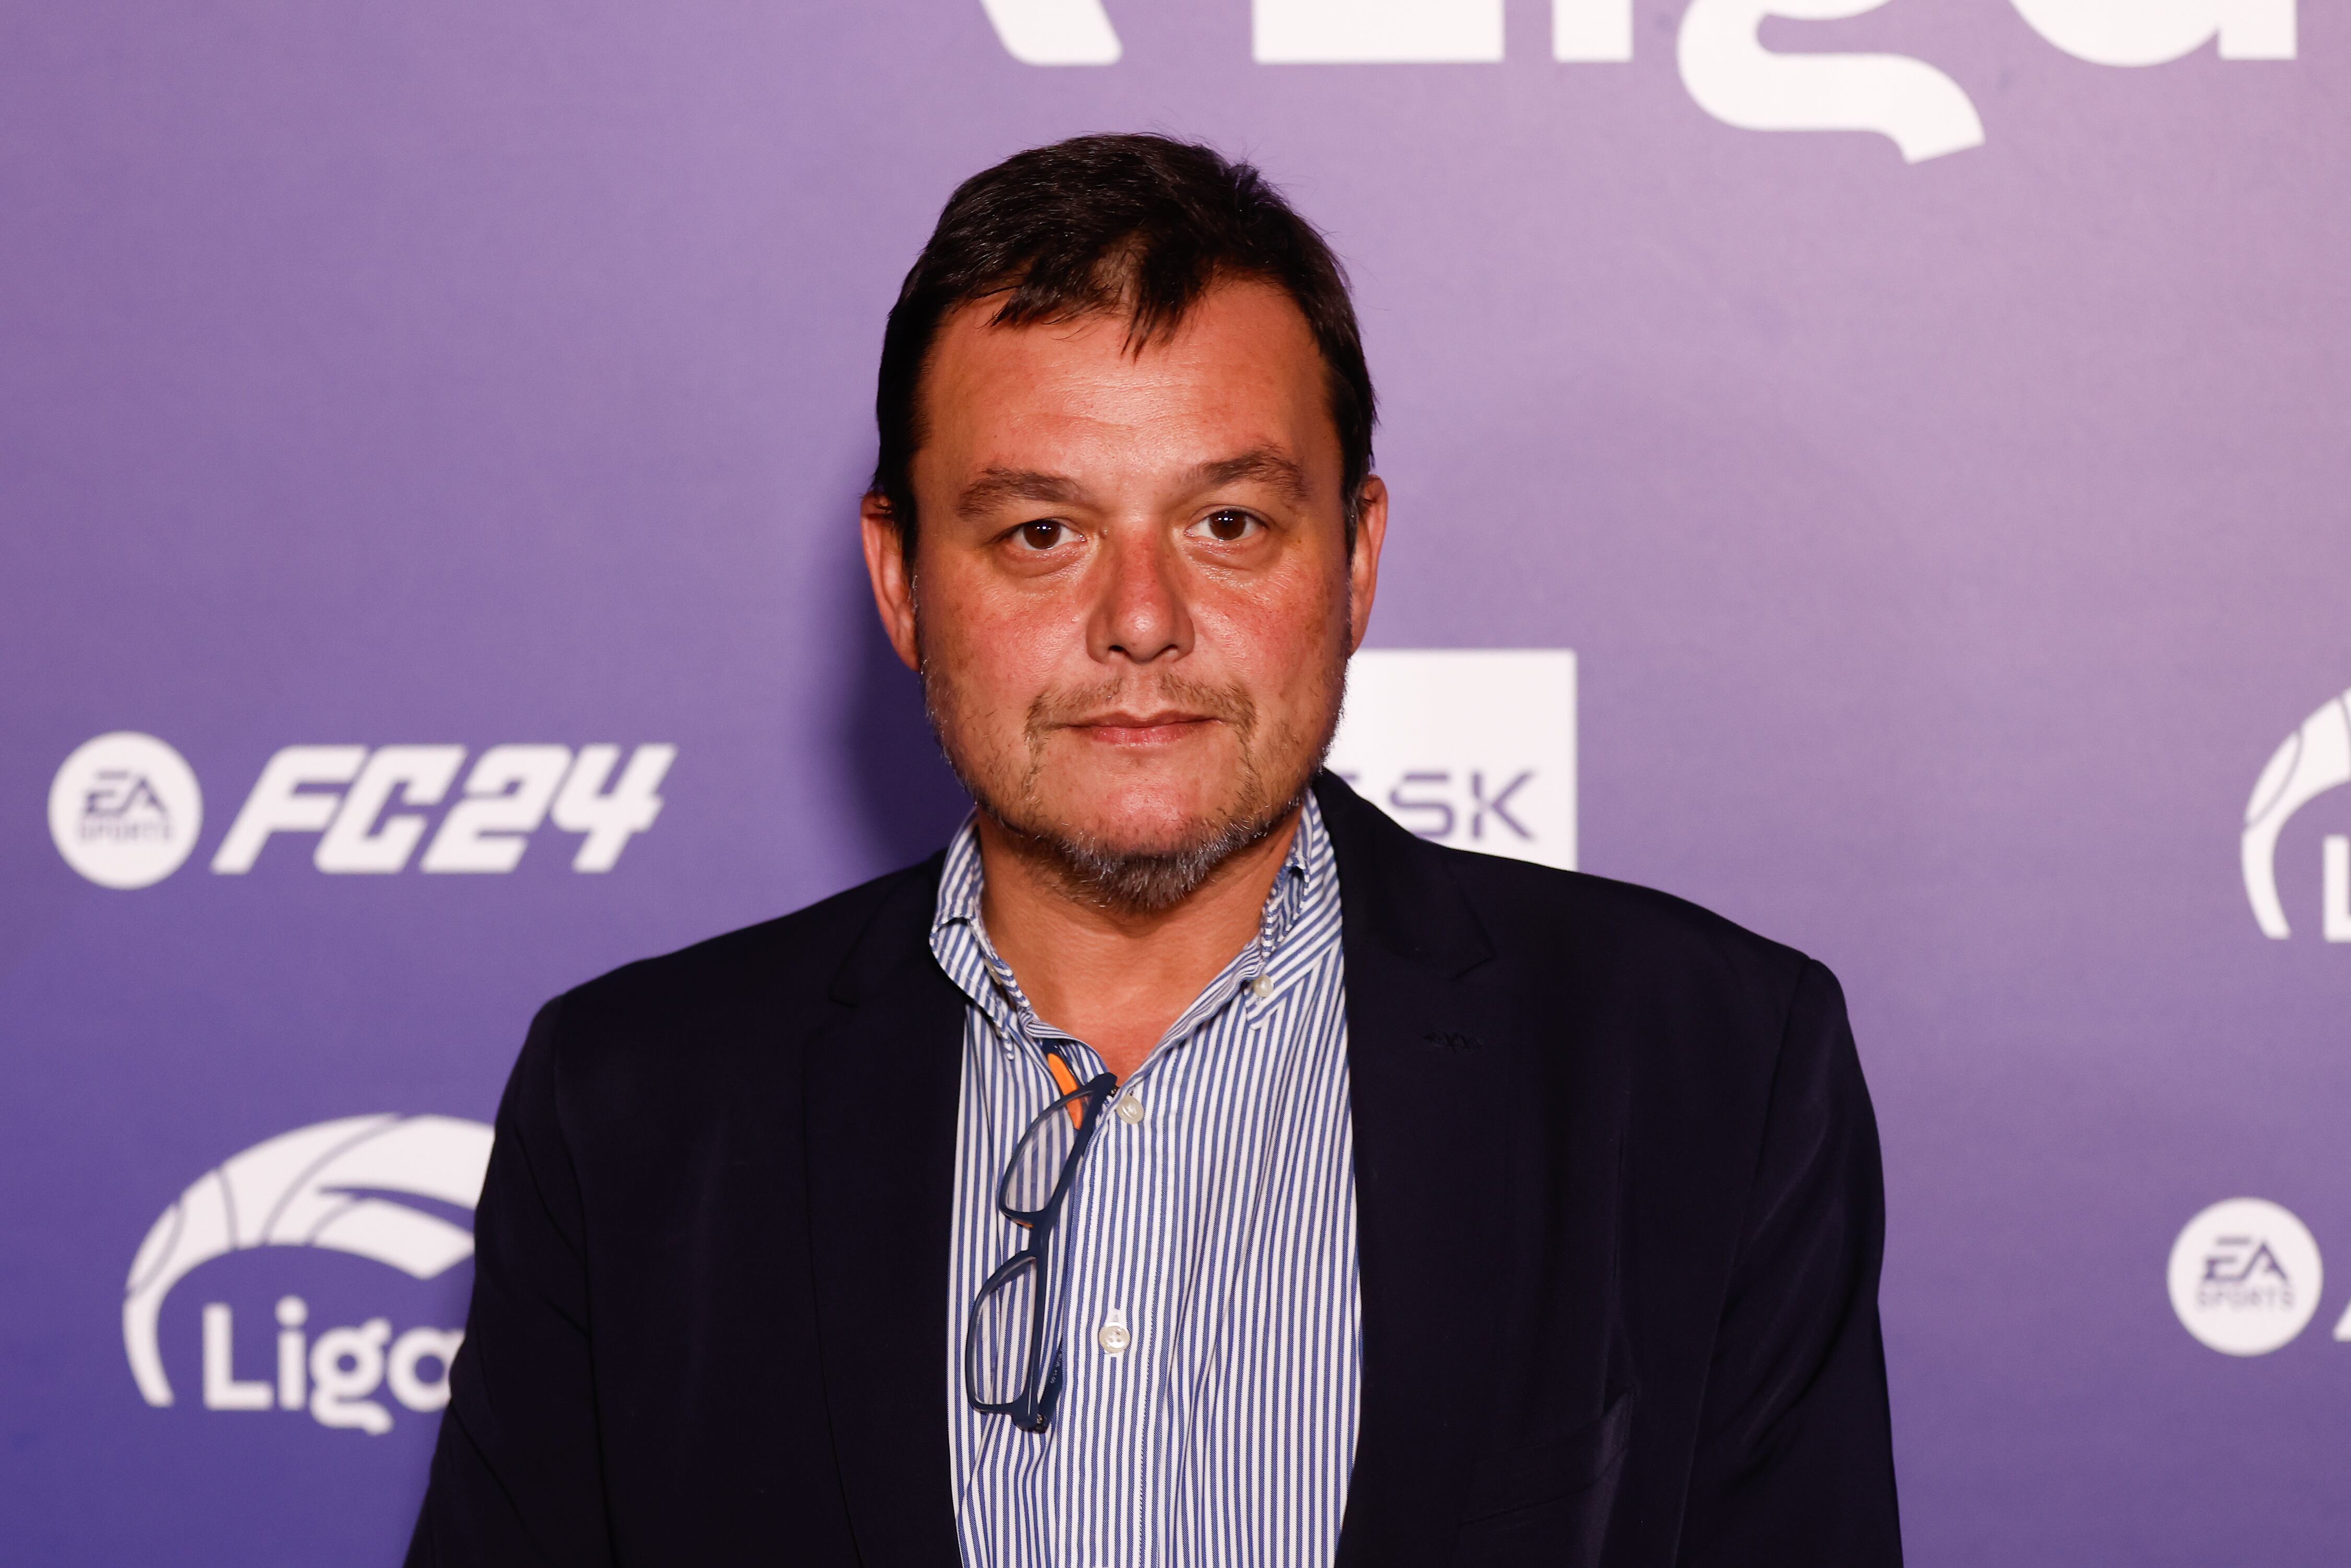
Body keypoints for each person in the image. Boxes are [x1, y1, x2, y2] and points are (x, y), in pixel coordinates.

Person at [407, 133, 1900, 1567]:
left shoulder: (1706, 1064)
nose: (1139, 616)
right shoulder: (635, 1110)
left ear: (1356, 559)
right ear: (902, 579)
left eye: (1229, 522)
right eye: (1041, 532)